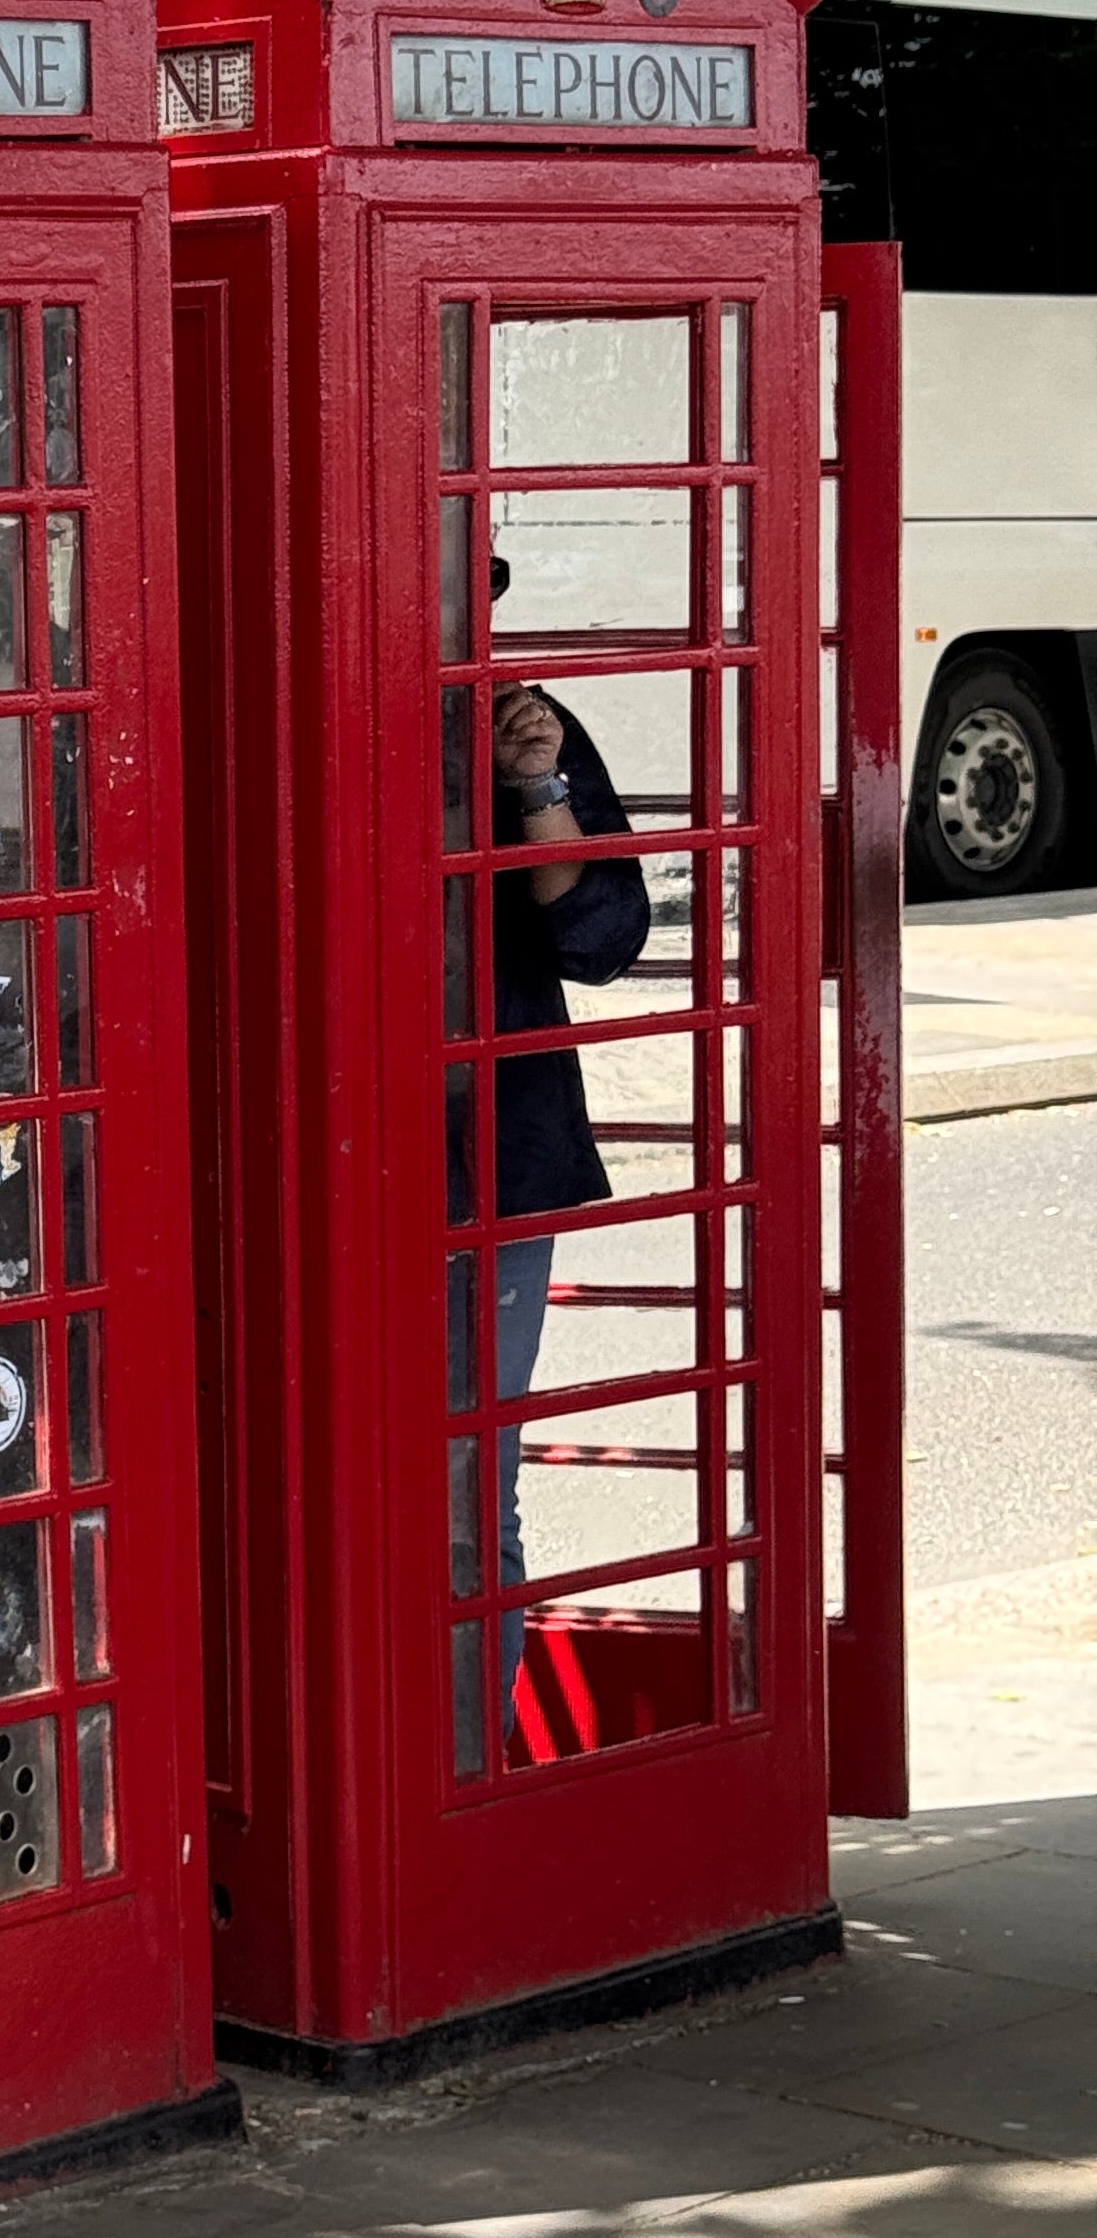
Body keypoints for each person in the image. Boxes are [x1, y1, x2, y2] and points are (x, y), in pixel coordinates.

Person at [447, 584, 653, 1740]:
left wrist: (537, 792)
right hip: (312, 1164)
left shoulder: (521, 727)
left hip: (489, 1161)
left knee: (472, 1489)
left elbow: (607, 941)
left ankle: (465, 1765)